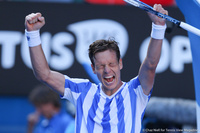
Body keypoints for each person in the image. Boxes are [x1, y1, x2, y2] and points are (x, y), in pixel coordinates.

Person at [25, 4, 168, 133]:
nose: (107, 70)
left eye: (112, 64)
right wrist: (32, 34)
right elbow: (44, 75)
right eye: (101, 66)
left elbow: (150, 65)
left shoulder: (136, 92)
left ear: (120, 64)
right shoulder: (82, 91)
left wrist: (158, 27)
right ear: (93, 68)